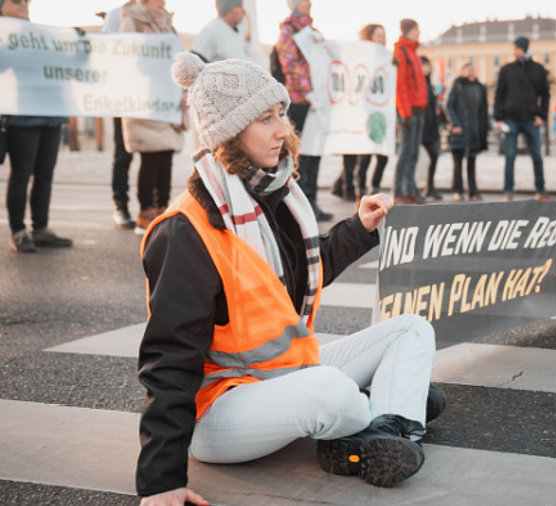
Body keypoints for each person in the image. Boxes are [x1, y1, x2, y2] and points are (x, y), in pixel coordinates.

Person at [137, 52, 444, 504]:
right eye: (265, 118)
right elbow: (169, 359)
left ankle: (383, 428)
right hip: (221, 409)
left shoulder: (273, 197)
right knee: (333, 391)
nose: (284, 128)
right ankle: (393, 409)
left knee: (413, 329)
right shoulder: (185, 229)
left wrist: (359, 230)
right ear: (227, 134)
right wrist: (161, 482)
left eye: (281, 112)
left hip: (283, 375)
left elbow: (301, 276)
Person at [2, 0, 72, 252]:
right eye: (16, 2)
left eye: (26, 2)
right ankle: (18, 232)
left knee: (45, 174)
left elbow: (65, 64)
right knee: (21, 174)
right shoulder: (7, 35)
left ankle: (40, 228)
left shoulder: (41, 35)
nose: (24, 5)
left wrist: (81, 45)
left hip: (50, 114)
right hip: (22, 116)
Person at [120, 0, 184, 234]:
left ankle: (162, 208)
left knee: (166, 156)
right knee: (150, 158)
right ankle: (145, 211)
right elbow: (124, 58)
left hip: (166, 100)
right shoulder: (132, 23)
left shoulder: (168, 26)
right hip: (145, 101)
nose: (162, 3)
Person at [274, 0, 332, 220]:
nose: (309, 3)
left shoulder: (313, 32)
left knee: (315, 153)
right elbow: (288, 63)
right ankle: (297, 204)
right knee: (299, 155)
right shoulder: (289, 30)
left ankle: (312, 201)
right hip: (300, 99)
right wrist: (306, 91)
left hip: (318, 100)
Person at [331, 23, 390, 201]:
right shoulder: (359, 56)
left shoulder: (386, 59)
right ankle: (352, 188)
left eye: (383, 35)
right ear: (369, 37)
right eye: (378, 35)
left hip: (377, 112)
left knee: (376, 153)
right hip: (357, 111)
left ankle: (355, 187)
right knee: (355, 153)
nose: (382, 39)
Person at [494, 36, 551, 202]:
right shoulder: (507, 70)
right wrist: (499, 118)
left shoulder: (538, 70)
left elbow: (545, 95)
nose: (513, 51)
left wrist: (541, 115)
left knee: (537, 156)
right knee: (510, 156)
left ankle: (540, 189)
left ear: (523, 49)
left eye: (516, 48)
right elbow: (498, 95)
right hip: (510, 118)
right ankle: (508, 190)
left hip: (530, 118)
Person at [104, 1, 136, 229]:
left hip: (151, 99)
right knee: (123, 154)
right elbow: (105, 50)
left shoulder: (160, 16)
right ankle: (120, 205)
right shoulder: (118, 15)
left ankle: (152, 207)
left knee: (154, 155)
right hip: (125, 97)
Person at [392, 18, 428, 204]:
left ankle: (410, 189)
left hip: (418, 110)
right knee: (406, 152)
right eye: (416, 29)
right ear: (408, 31)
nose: (419, 32)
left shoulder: (412, 53)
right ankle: (400, 190)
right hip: (409, 112)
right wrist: (405, 113)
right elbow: (400, 86)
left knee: (413, 152)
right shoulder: (400, 53)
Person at [446, 61, 488, 201]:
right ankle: (457, 190)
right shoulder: (457, 85)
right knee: (457, 163)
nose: (471, 71)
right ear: (462, 71)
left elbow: (484, 110)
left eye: (473, 69)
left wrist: (486, 128)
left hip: (474, 131)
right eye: (468, 69)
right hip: (460, 131)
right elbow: (449, 106)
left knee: (472, 161)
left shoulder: (480, 87)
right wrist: (455, 124)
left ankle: (473, 191)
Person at [420, 55, 445, 200]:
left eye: (428, 65)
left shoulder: (430, 84)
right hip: (422, 126)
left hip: (431, 127)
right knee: (413, 158)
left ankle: (430, 186)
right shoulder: (419, 84)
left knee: (434, 156)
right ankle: (412, 188)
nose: (427, 68)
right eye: (424, 65)